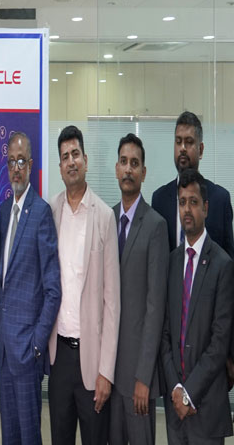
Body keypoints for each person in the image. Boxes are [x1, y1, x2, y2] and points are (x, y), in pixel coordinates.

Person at [49, 125, 120, 445]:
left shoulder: (104, 217)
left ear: (86, 160)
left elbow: (112, 303)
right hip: (59, 357)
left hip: (92, 361)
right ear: (60, 166)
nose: (71, 161)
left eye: (75, 154)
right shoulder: (51, 211)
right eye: (65, 157)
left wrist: (106, 371)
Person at [0, 132, 61, 445]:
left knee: (29, 436)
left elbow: (53, 290)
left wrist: (36, 345)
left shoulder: (42, 213)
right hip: (4, 351)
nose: (16, 168)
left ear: (31, 165)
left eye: (21, 161)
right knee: (9, 435)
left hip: (26, 351)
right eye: (11, 162)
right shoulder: (2, 212)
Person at [160, 168, 234, 444]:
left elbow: (219, 343)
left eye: (193, 202)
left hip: (206, 407)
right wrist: (175, 389)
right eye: (182, 202)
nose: (187, 209)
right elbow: (165, 333)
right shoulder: (170, 262)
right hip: (175, 408)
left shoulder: (223, 265)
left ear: (205, 208)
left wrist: (188, 393)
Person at [110, 134, 168, 445]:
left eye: (135, 163)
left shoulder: (156, 226)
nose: (129, 169)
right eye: (124, 162)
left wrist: (144, 376)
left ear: (143, 173)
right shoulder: (107, 220)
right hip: (109, 372)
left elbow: (155, 308)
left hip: (137, 378)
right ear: (116, 169)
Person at [152, 111, 234, 258]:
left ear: (200, 150)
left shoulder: (220, 199)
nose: (182, 148)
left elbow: (228, 260)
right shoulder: (159, 200)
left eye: (189, 142)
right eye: (178, 142)